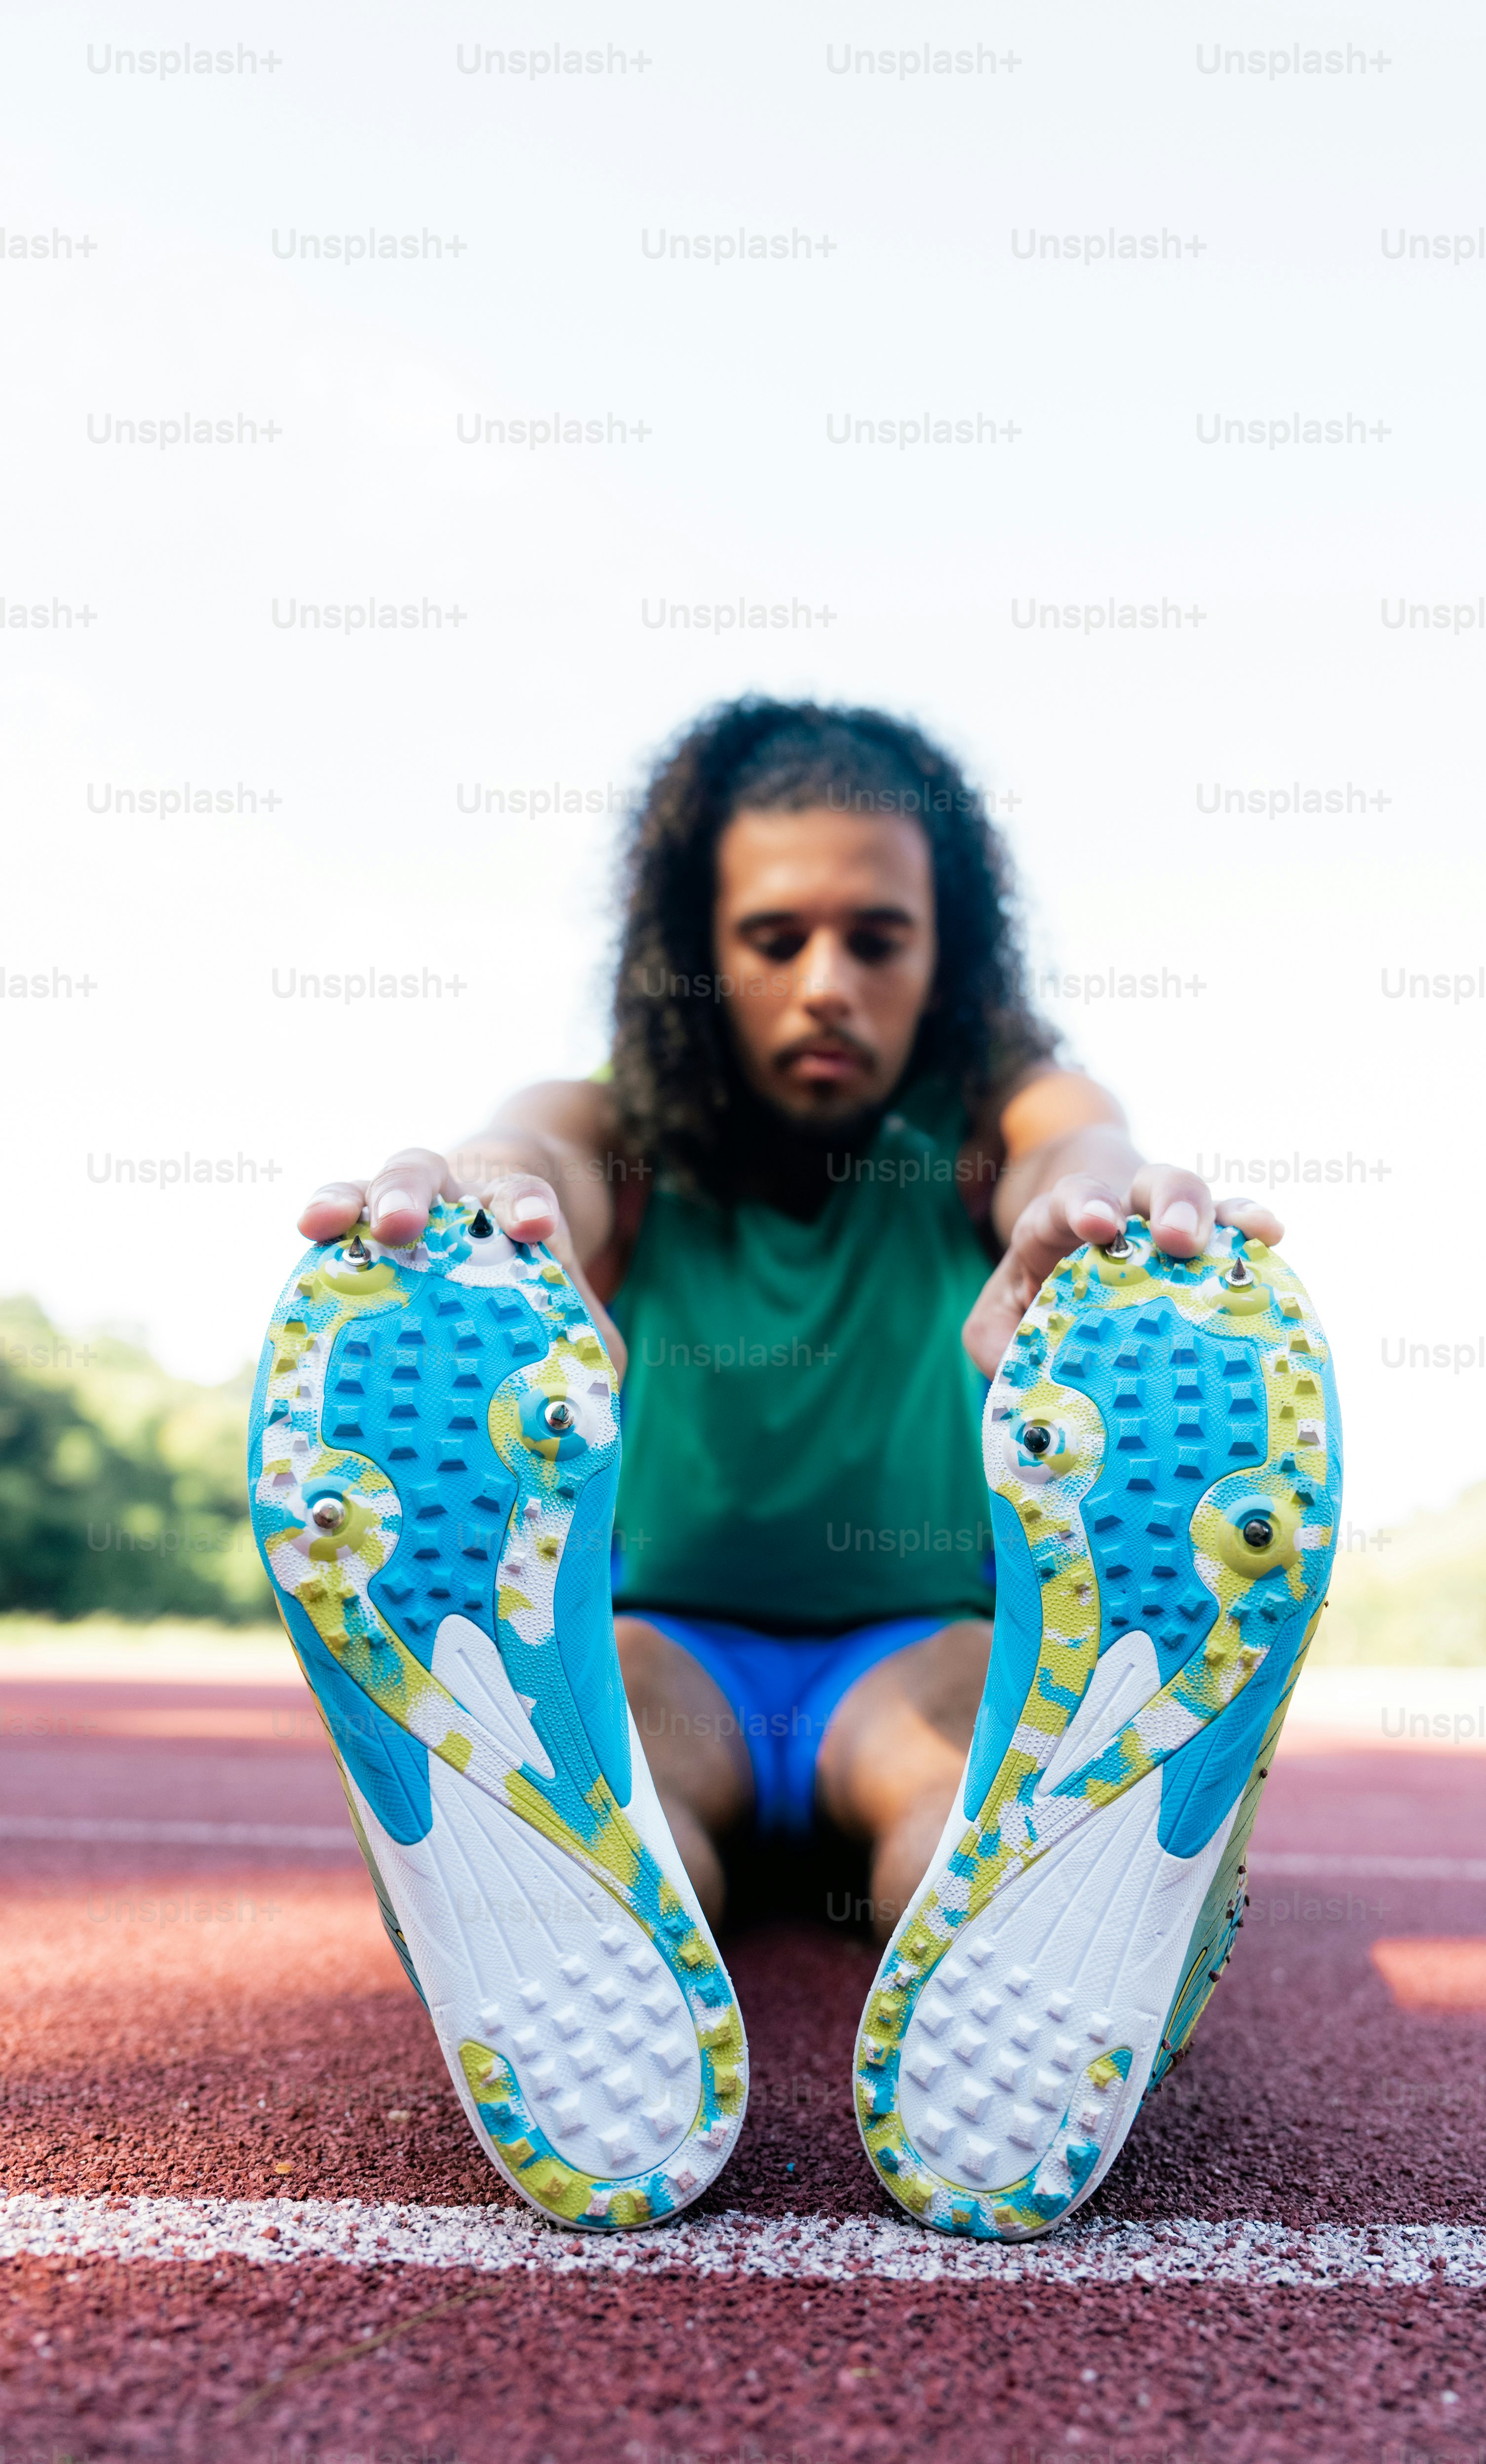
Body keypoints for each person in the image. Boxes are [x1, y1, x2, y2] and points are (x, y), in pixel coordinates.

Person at [296, 698, 1283, 1943]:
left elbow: (1070, 1146)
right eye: (773, 938)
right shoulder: (622, 1135)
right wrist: (492, 1216)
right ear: (697, 953)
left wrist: (1096, 1230)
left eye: (877, 940)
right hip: (659, 1654)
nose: (826, 985)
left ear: (947, 958)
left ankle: (1042, 1954)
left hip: (915, 1659)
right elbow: (535, 1143)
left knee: (956, 1816)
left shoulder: (988, 1128)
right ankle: (556, 1929)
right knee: (617, 1809)